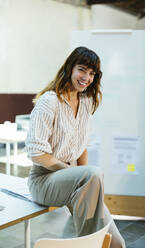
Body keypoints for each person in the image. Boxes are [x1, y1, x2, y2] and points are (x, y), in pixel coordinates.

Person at [25, 46, 126, 248]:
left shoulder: (86, 101)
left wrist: (82, 178)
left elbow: (81, 148)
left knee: (116, 243)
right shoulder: (49, 102)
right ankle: (89, 244)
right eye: (82, 70)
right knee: (92, 174)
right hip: (44, 181)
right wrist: (79, 175)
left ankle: (92, 241)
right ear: (70, 68)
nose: (86, 77)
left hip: (76, 180)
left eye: (92, 73)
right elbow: (37, 154)